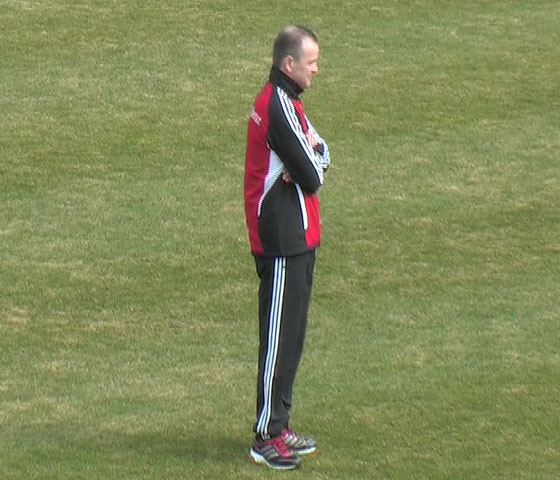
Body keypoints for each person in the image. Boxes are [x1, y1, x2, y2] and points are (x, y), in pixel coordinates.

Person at [243, 25, 330, 470]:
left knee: (292, 337)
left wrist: (312, 158)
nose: (316, 70)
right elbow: (313, 175)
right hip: (280, 239)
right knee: (278, 339)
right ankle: (266, 435)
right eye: (311, 63)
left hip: (298, 237)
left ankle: (280, 424)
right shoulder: (277, 106)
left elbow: (322, 154)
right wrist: (310, 162)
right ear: (289, 63)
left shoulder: (289, 102)